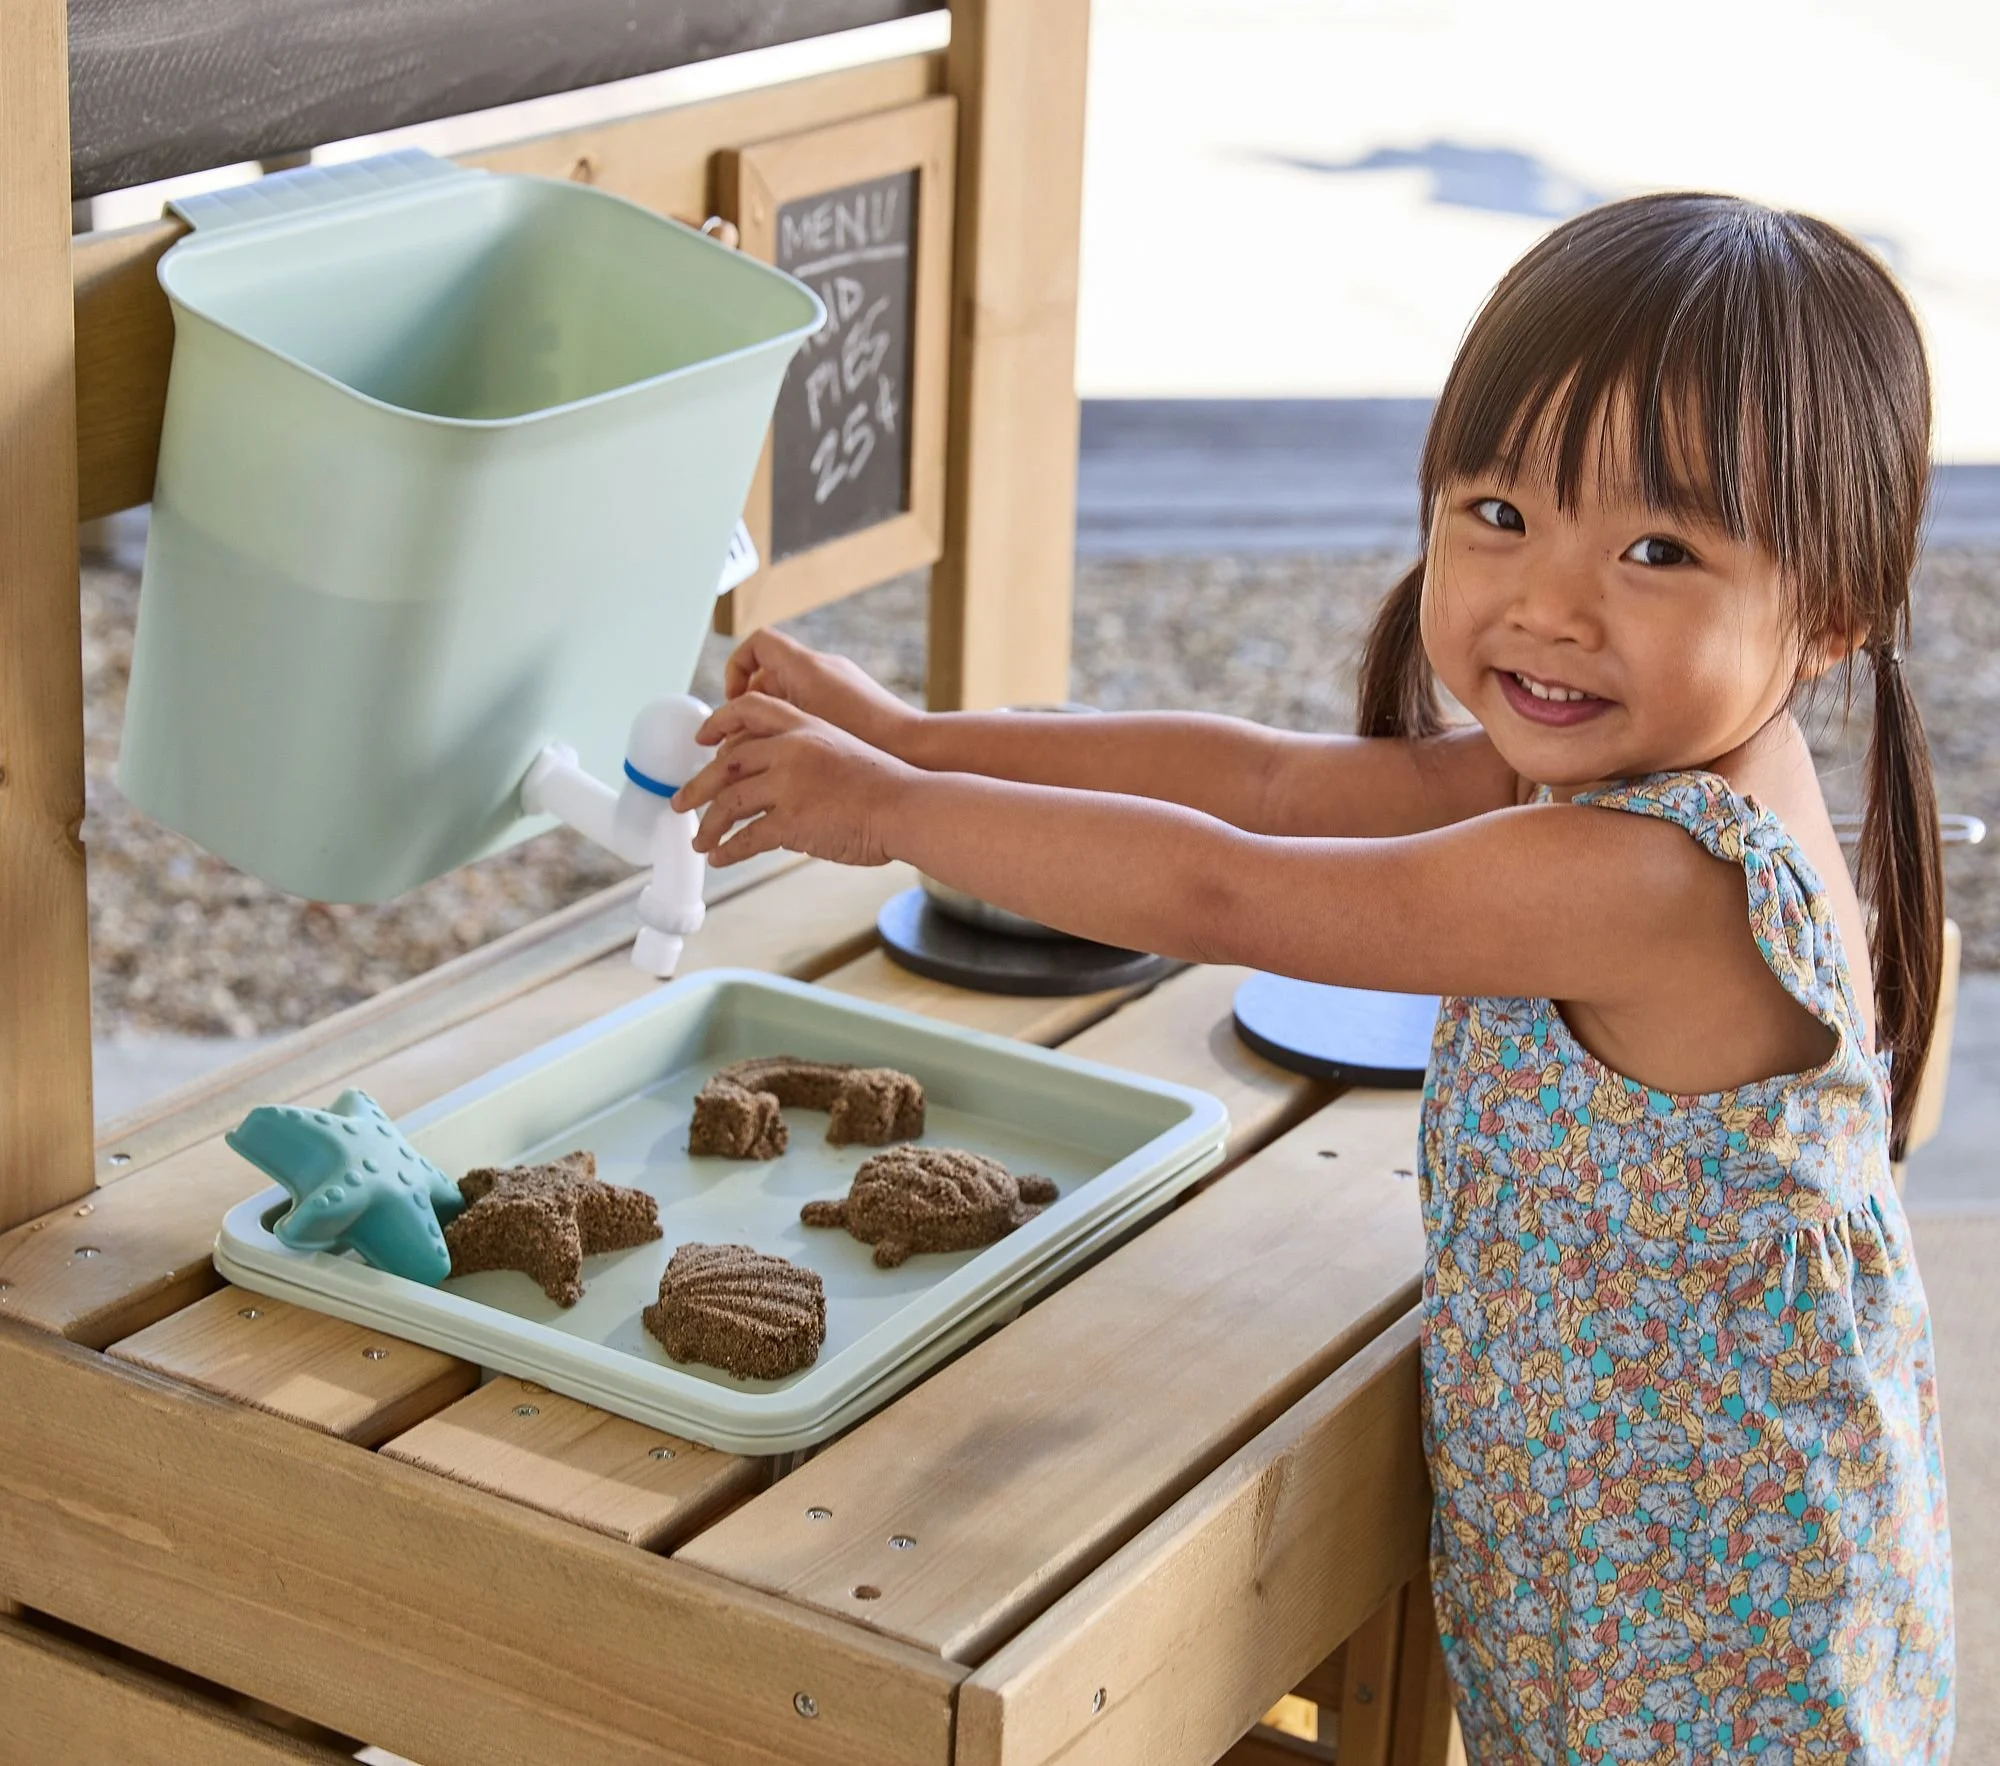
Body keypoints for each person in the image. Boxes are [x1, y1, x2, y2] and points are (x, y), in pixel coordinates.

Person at [675, 192, 1953, 1761]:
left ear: (1828, 610)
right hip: (1635, 1571)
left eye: (1657, 546)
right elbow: (1266, 783)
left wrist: (884, 809)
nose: (1551, 600)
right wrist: (915, 735)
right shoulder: (1614, 774)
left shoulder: (1656, 874)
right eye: (1497, 511)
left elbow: (1232, 885)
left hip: (1709, 1656)